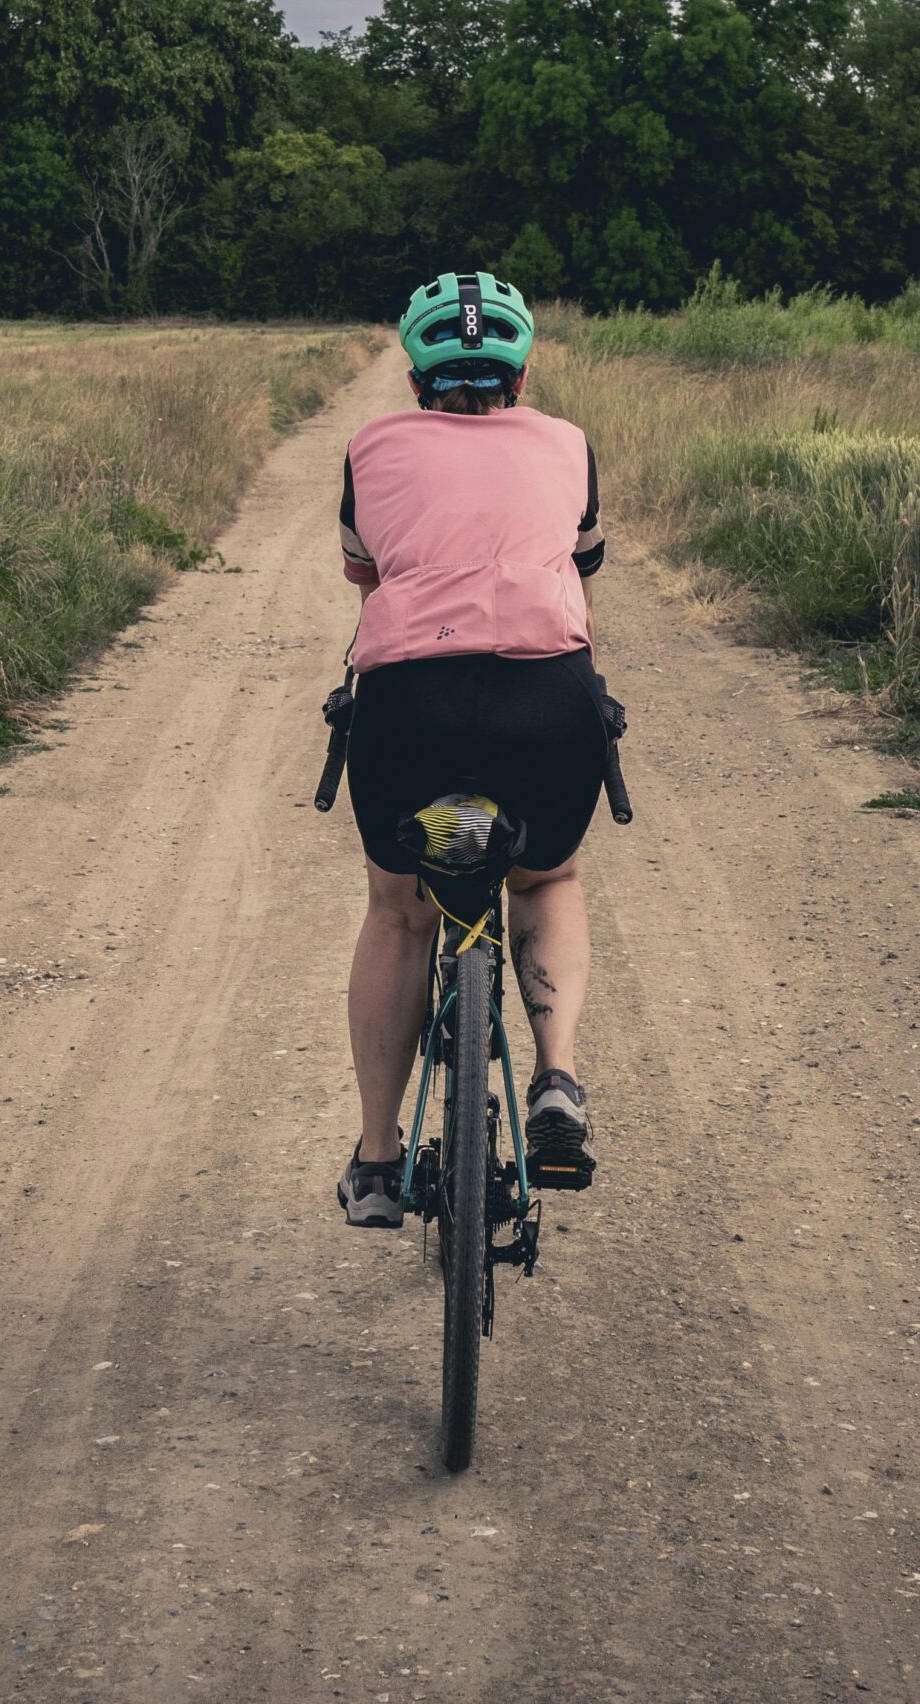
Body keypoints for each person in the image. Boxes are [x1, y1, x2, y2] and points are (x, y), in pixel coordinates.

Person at [333, 270, 609, 1227]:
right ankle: (557, 1077)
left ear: (415, 379)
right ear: (523, 376)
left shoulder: (371, 448)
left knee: (400, 913)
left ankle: (376, 1161)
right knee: (546, 880)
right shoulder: (569, 447)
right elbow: (581, 571)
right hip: (547, 697)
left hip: (411, 700)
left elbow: (361, 571)